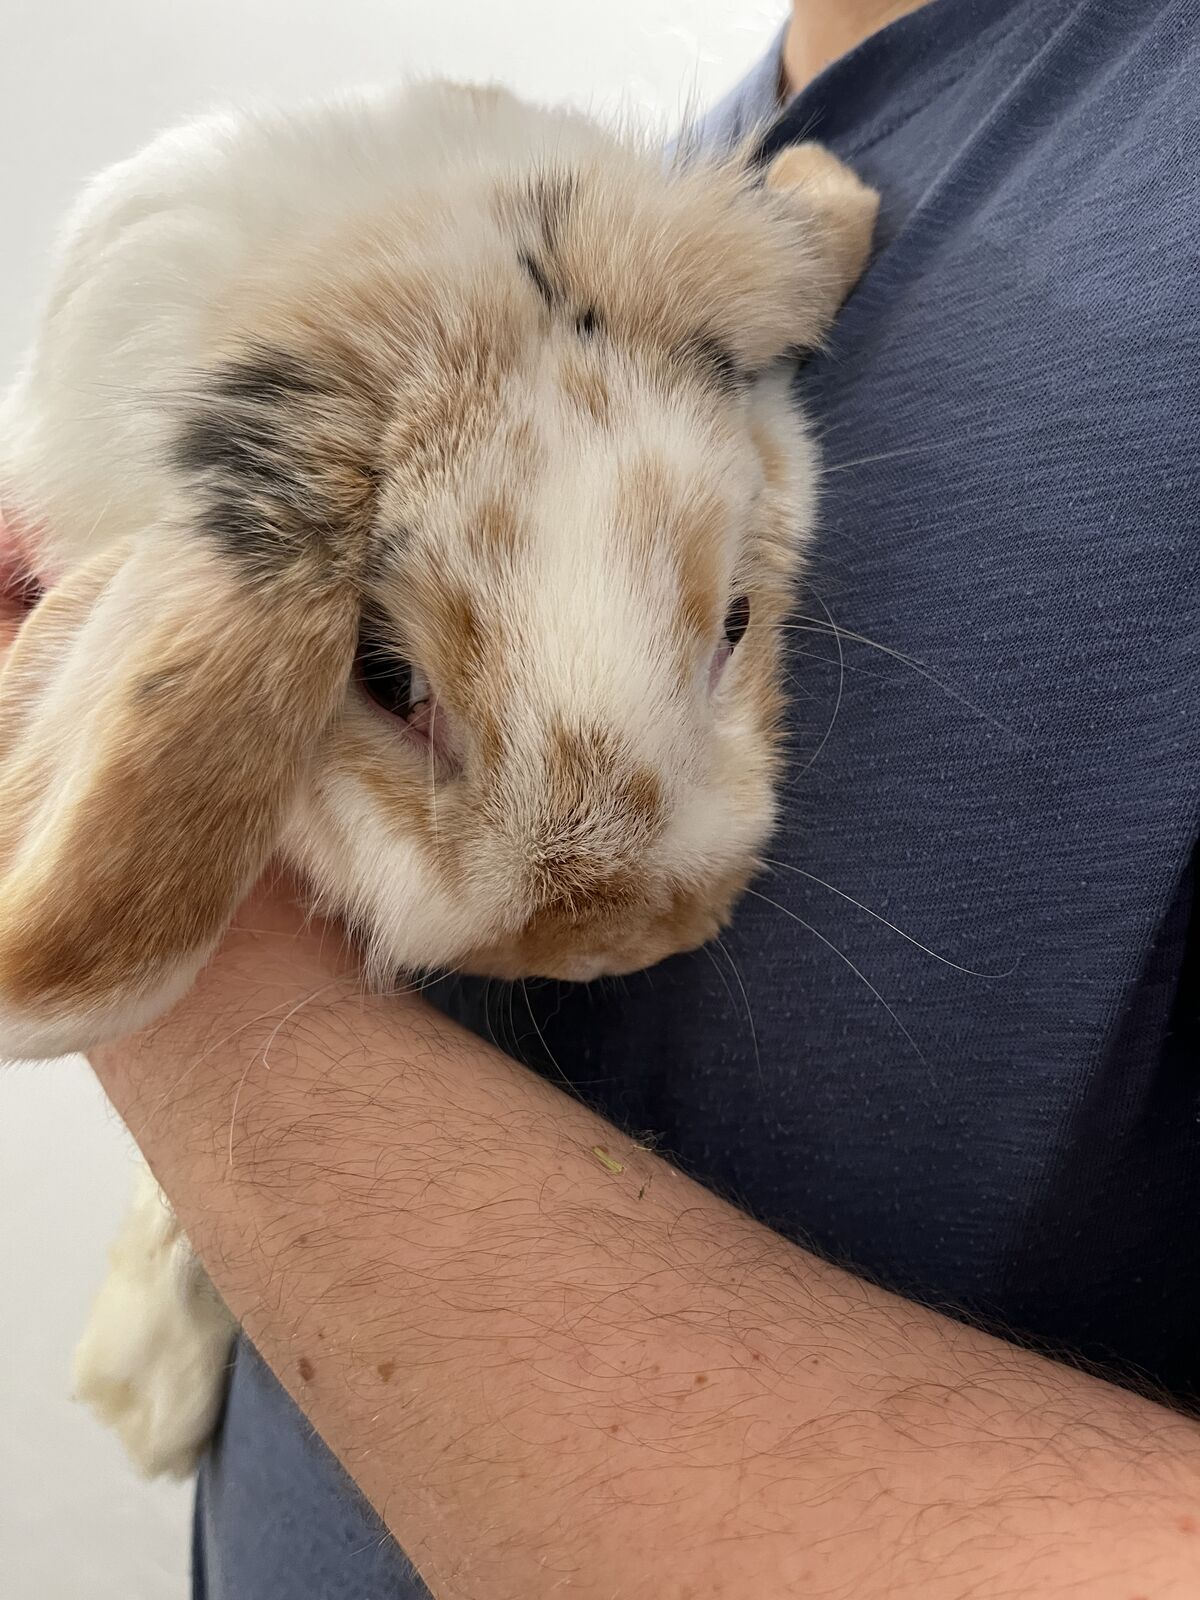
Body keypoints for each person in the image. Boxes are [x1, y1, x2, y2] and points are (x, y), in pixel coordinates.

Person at [9, 0, 1196, 1594]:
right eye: (395, 681)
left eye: (730, 631)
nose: (598, 930)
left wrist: (195, 998)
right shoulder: (670, 162)